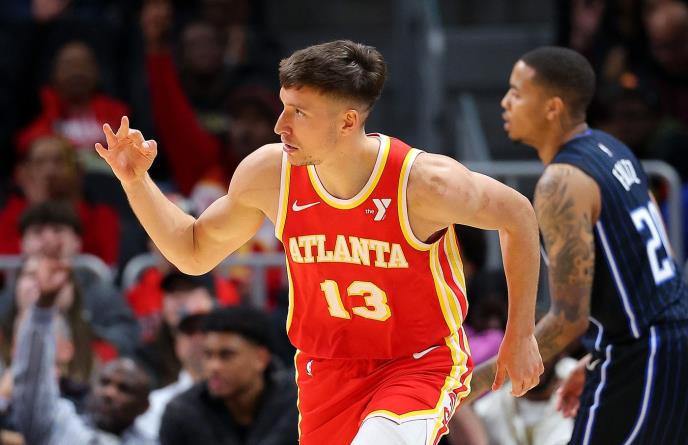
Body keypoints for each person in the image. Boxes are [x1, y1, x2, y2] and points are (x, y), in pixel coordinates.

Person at [95, 40, 544, 444]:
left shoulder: (423, 182)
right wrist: (136, 182)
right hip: (325, 369)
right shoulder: (269, 174)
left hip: (415, 362)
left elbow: (519, 215)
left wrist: (521, 335)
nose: (279, 125)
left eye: (299, 112)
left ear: (348, 121)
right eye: (283, 106)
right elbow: (192, 253)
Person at [468, 46, 688, 445]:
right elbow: (645, 271)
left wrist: (472, 385)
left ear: (552, 107)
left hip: (645, 355)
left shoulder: (561, 183)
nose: (505, 102)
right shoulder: (613, 148)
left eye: (517, 93)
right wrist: (594, 358)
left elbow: (570, 318)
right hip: (662, 341)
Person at [11, 256, 155, 445]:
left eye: (124, 389)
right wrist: (43, 308)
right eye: (104, 382)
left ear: (144, 407)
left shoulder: (151, 441)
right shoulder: (61, 425)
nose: (109, 393)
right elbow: (32, 388)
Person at [158, 306, 298, 445]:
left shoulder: (297, 405)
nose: (213, 366)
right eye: (208, 355)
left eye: (226, 355)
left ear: (261, 358)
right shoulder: (182, 413)